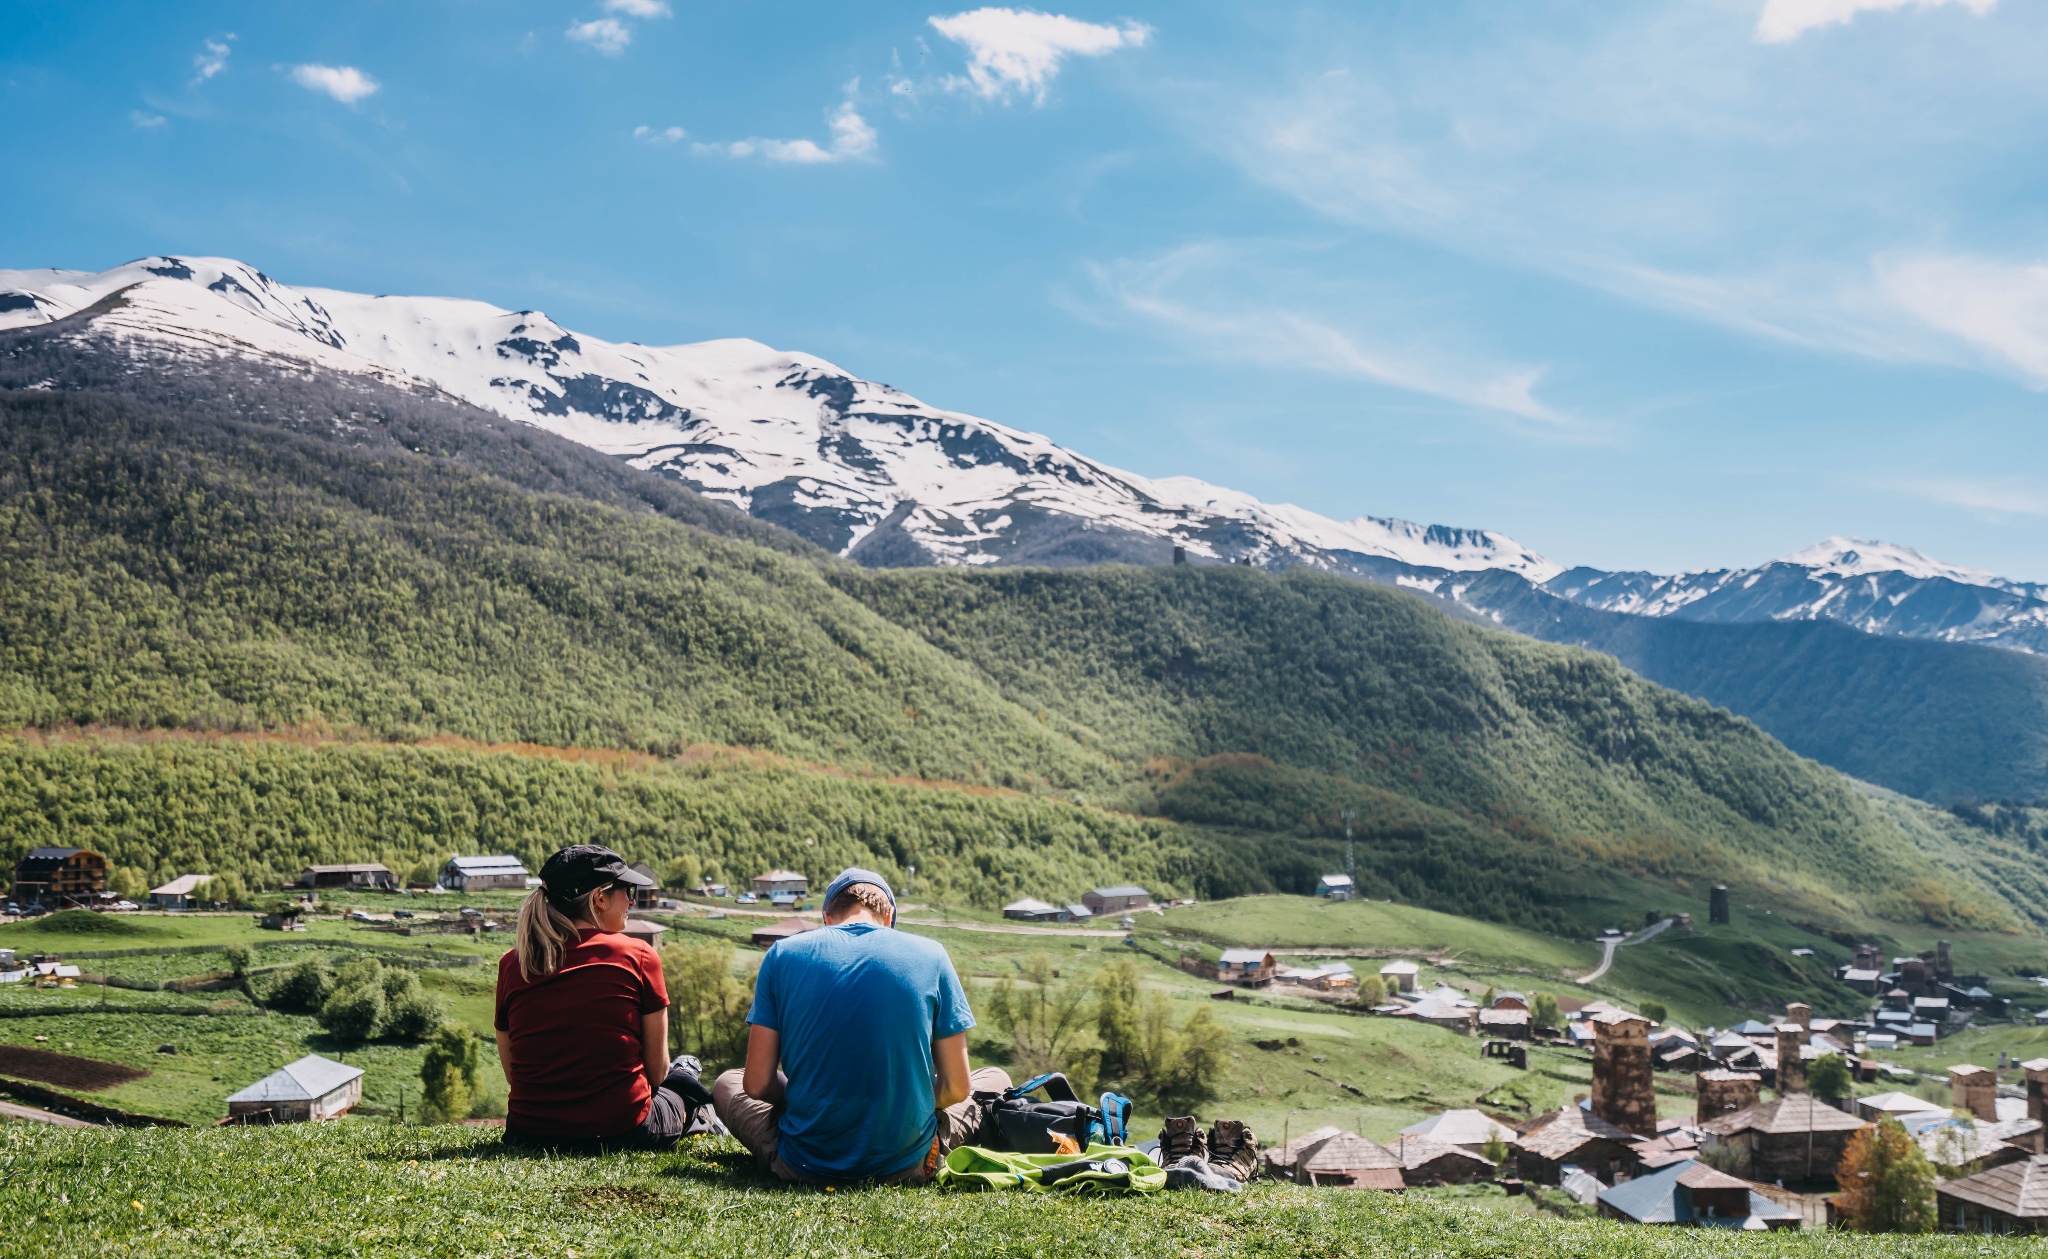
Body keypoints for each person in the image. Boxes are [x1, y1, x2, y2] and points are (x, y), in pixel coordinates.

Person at [712, 867, 1008, 1183]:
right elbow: (956, 1087)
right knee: (995, 1077)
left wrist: (811, 1096)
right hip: (909, 1165)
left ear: (827, 916)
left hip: (802, 1165)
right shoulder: (933, 955)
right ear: (889, 915)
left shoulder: (781, 954)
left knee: (727, 1081)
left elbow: (756, 1084)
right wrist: (902, 1097)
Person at [496, 844, 714, 1147]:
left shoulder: (513, 963)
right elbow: (656, 1072)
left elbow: (512, 1072)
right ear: (600, 897)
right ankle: (696, 1105)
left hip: (529, 1131)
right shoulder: (638, 956)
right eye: (628, 891)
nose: (632, 901)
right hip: (623, 1129)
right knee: (681, 1079)